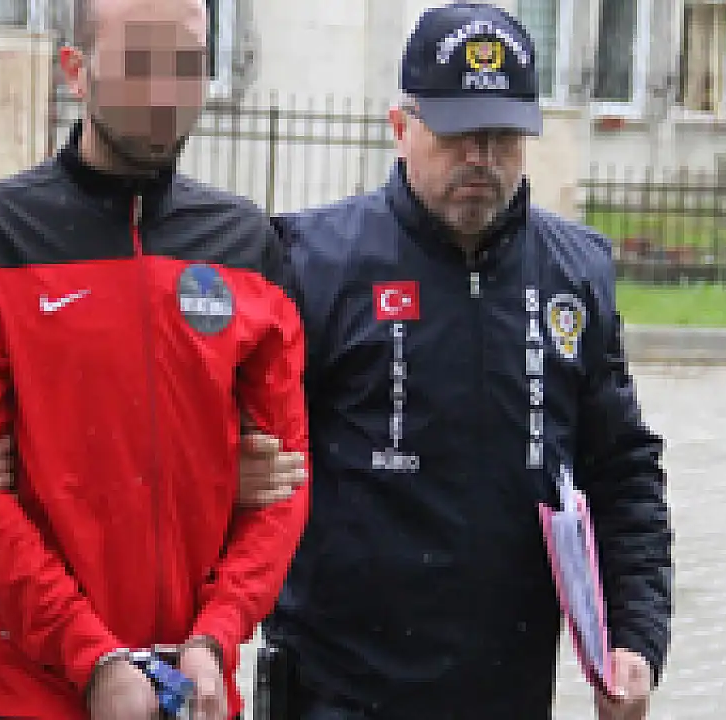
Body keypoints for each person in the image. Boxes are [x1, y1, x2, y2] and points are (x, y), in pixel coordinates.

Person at [256, 4, 673, 720]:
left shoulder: (575, 273)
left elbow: (621, 469)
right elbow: (240, 457)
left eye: (502, 136)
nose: (480, 156)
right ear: (401, 126)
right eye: (457, 132)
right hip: (340, 689)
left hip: (506, 686)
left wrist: (636, 634)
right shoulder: (314, 263)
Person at [0, 0, 311, 717]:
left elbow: (284, 482)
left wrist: (215, 639)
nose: (164, 93)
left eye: (187, 65)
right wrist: (90, 658)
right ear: (76, 70)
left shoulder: (247, 244)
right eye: (138, 63)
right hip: (32, 693)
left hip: (196, 691)